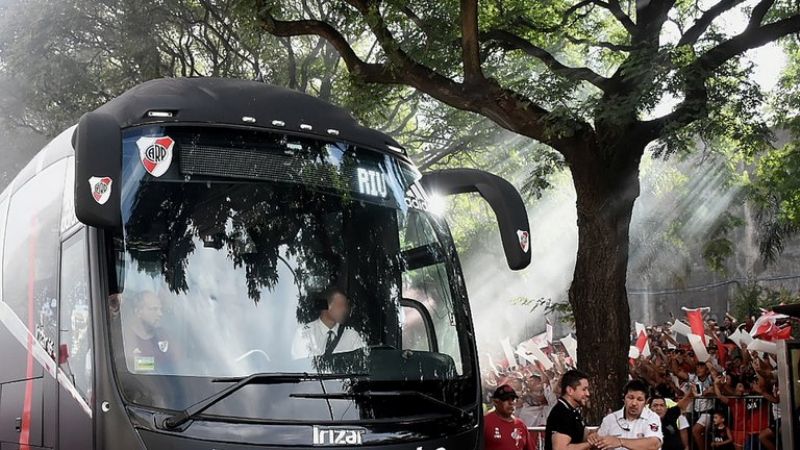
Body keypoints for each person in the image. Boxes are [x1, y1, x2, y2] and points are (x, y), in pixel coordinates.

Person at [291, 287, 366, 358]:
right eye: (340, 305)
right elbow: (299, 366)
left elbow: (361, 362)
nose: (345, 309)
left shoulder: (352, 335)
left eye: (345, 306)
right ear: (326, 307)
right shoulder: (304, 334)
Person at [593, 379, 662, 450]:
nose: (634, 403)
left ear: (646, 402)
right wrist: (593, 438)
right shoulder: (610, 419)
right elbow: (596, 446)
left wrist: (620, 441)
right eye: (630, 398)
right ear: (624, 398)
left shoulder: (652, 417)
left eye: (639, 399)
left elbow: (654, 444)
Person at [123, 290, 174, 373]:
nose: (160, 314)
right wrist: (157, 363)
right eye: (154, 309)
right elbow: (131, 364)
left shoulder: (163, 334)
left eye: (160, 309)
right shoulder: (126, 336)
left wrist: (148, 362)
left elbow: (177, 360)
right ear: (138, 312)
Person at [544, 369, 592, 450]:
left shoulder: (572, 411)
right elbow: (560, 448)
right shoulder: (561, 413)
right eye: (584, 389)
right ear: (570, 390)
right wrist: (590, 444)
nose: (588, 393)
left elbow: (583, 435)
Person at [484, 384, 536, 450]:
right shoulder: (485, 422)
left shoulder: (521, 425)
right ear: (496, 402)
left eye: (513, 399)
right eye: (506, 399)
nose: (511, 402)